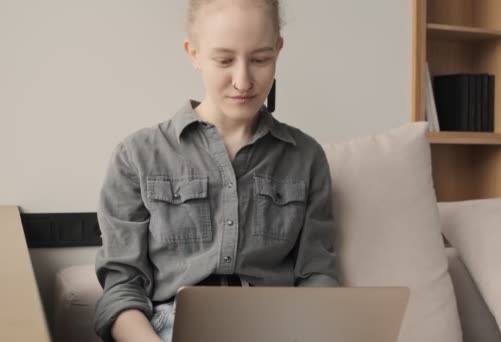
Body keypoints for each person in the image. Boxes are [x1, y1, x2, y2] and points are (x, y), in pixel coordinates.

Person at [93, 0, 339, 341]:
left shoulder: (306, 157)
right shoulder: (136, 156)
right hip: (171, 327)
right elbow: (122, 287)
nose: (243, 81)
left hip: (274, 327)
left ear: (278, 51)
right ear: (193, 53)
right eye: (224, 60)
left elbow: (317, 272)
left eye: (260, 60)